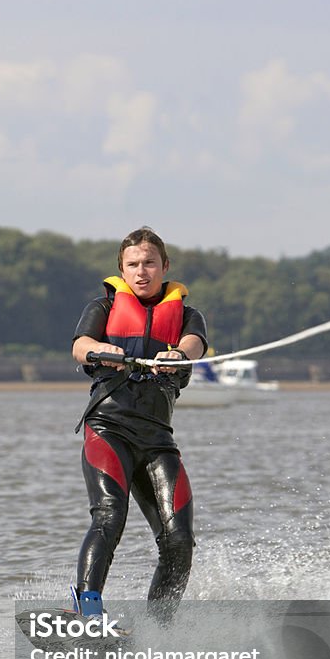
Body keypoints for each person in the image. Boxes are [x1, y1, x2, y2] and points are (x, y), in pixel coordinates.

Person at [71, 226, 208, 620]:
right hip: (108, 429)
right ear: (121, 269)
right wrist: (99, 349)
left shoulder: (188, 316)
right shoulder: (102, 308)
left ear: (165, 266)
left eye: (150, 263)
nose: (142, 271)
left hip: (157, 440)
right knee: (110, 516)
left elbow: (194, 344)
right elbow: (79, 345)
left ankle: (158, 627)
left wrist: (178, 355)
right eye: (133, 265)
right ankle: (88, 612)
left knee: (179, 540)